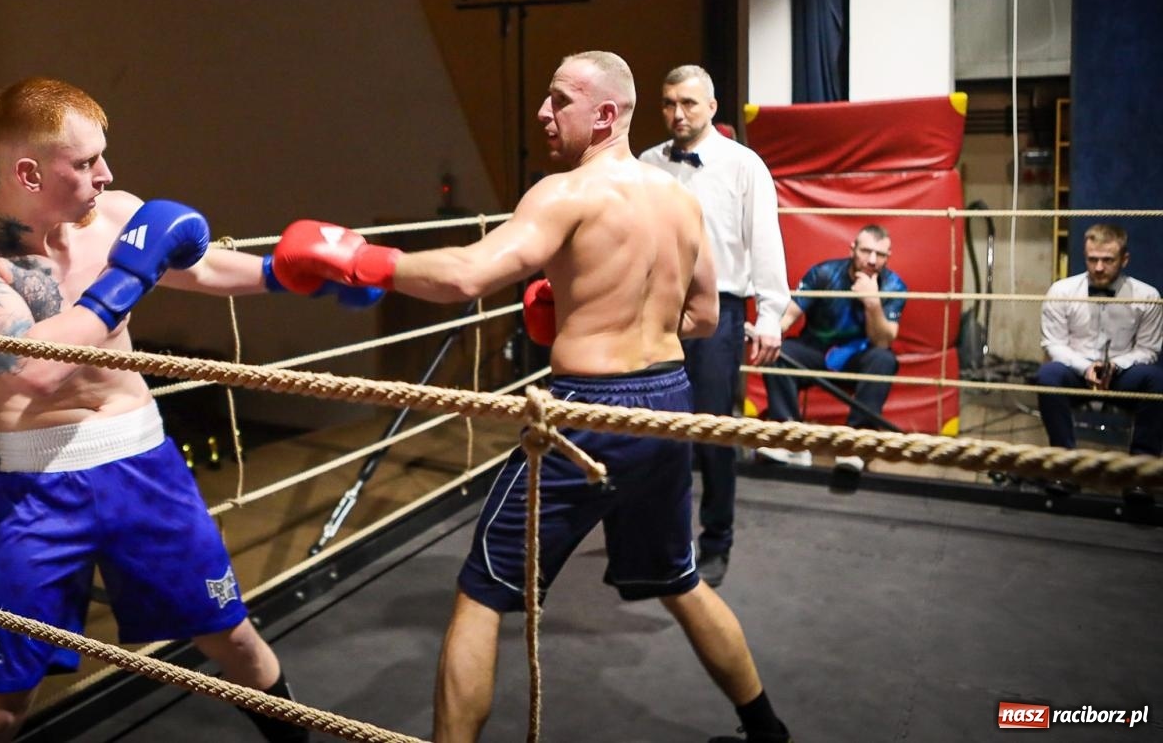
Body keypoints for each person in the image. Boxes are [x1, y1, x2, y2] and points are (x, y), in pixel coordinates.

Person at [270, 52, 790, 743]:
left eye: (560, 100)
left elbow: (466, 276)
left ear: (605, 114)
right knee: (680, 580)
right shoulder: (682, 203)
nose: (544, 114)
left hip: (586, 413)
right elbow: (700, 319)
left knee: (481, 594)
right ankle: (768, 730)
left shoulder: (562, 193)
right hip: (667, 403)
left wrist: (362, 258)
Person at [0, 77, 377, 743]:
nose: (106, 175)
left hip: (143, 468)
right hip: (36, 491)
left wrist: (287, 272)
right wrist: (127, 276)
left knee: (239, 650)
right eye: (84, 164)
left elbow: (196, 269)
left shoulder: (114, 216)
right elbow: (32, 367)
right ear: (27, 171)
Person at [639, 64, 787, 588]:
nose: (677, 114)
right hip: (655, 307)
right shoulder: (647, 164)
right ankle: (663, 537)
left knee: (712, 428)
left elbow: (765, 241)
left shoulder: (744, 165)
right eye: (668, 103)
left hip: (720, 310)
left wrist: (770, 315)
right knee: (654, 425)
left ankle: (717, 539)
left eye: (689, 104)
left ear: (712, 107)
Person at [759, 223, 906, 474]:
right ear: (853, 249)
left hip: (859, 356)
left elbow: (883, 341)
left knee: (884, 359)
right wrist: (767, 332)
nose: (872, 260)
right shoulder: (824, 274)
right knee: (779, 352)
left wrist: (872, 303)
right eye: (866, 251)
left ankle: (855, 444)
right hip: (816, 350)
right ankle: (790, 437)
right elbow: (789, 316)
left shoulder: (893, 286)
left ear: (888, 257)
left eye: (880, 254)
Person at [1034, 223, 1163, 497]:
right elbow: (1053, 343)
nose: (1099, 268)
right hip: (1076, 371)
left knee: (1157, 381)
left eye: (1108, 260)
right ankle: (1064, 467)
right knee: (1047, 375)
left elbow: (1149, 350)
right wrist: (1085, 367)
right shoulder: (1061, 291)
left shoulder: (1148, 297)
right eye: (1093, 259)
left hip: (1121, 373)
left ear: (1124, 260)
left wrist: (1115, 366)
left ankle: (1140, 473)